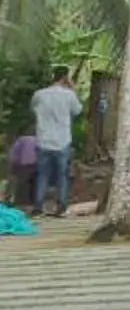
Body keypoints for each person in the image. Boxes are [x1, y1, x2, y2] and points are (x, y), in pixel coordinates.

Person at [31, 67, 81, 218]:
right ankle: (61, 207)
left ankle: (38, 208)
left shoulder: (39, 94)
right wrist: (73, 89)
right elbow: (77, 111)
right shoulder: (69, 95)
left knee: (42, 175)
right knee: (62, 176)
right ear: (65, 78)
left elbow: (33, 109)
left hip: (43, 140)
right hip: (62, 141)